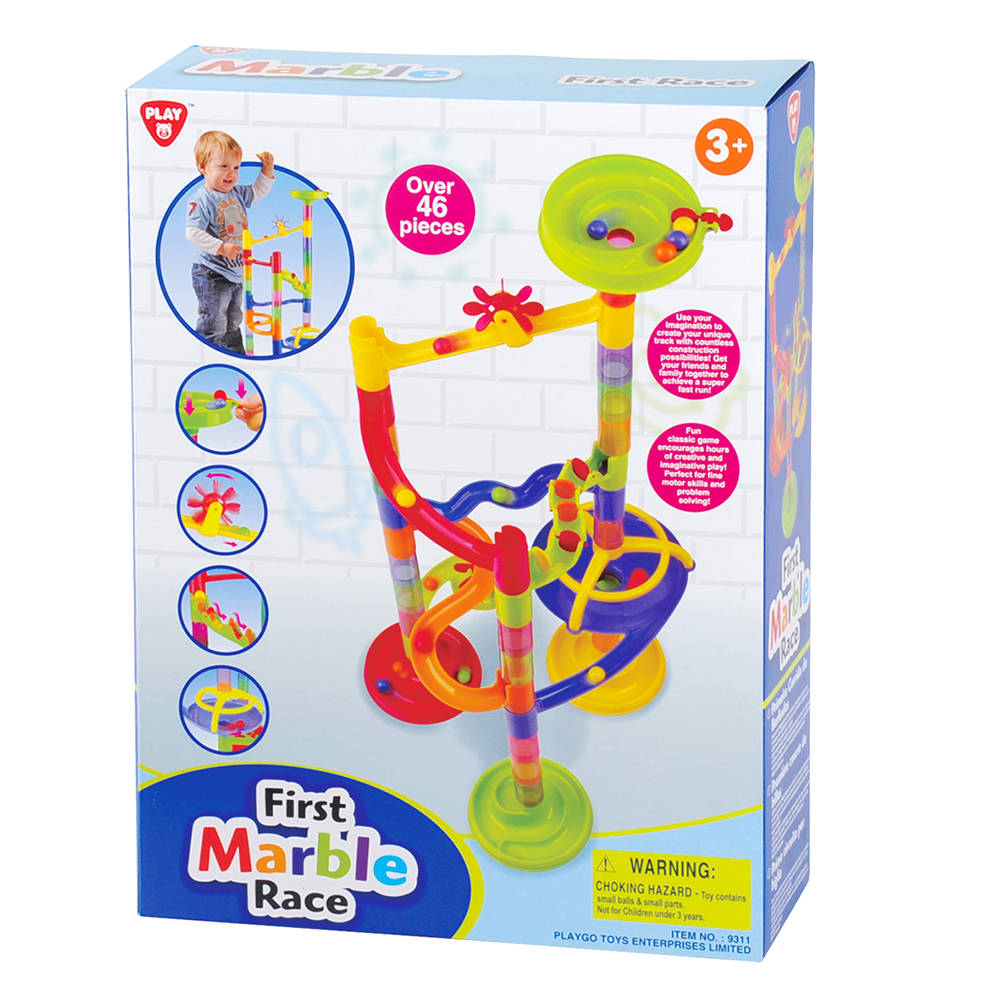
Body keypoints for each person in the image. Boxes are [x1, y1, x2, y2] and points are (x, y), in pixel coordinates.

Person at [186, 131, 274, 354]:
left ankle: (235, 354)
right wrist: (221, 247)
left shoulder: (237, 193)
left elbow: (258, 191)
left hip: (235, 271)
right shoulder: (202, 199)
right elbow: (192, 232)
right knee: (214, 321)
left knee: (234, 319)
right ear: (203, 167)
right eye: (224, 166)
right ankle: (207, 353)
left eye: (236, 167)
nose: (232, 173)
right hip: (211, 272)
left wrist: (267, 170)